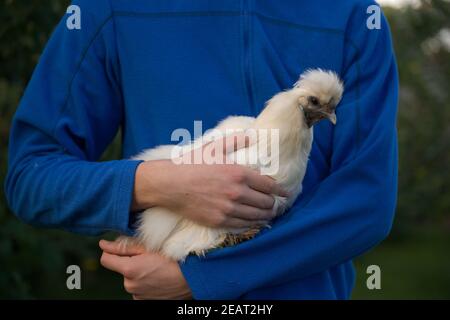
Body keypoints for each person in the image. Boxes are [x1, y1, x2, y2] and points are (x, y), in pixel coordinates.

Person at [5, 0, 398, 299]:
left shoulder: (352, 15)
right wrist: (157, 184)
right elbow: (32, 173)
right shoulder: (109, 9)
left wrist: (204, 278)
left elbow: (367, 199)